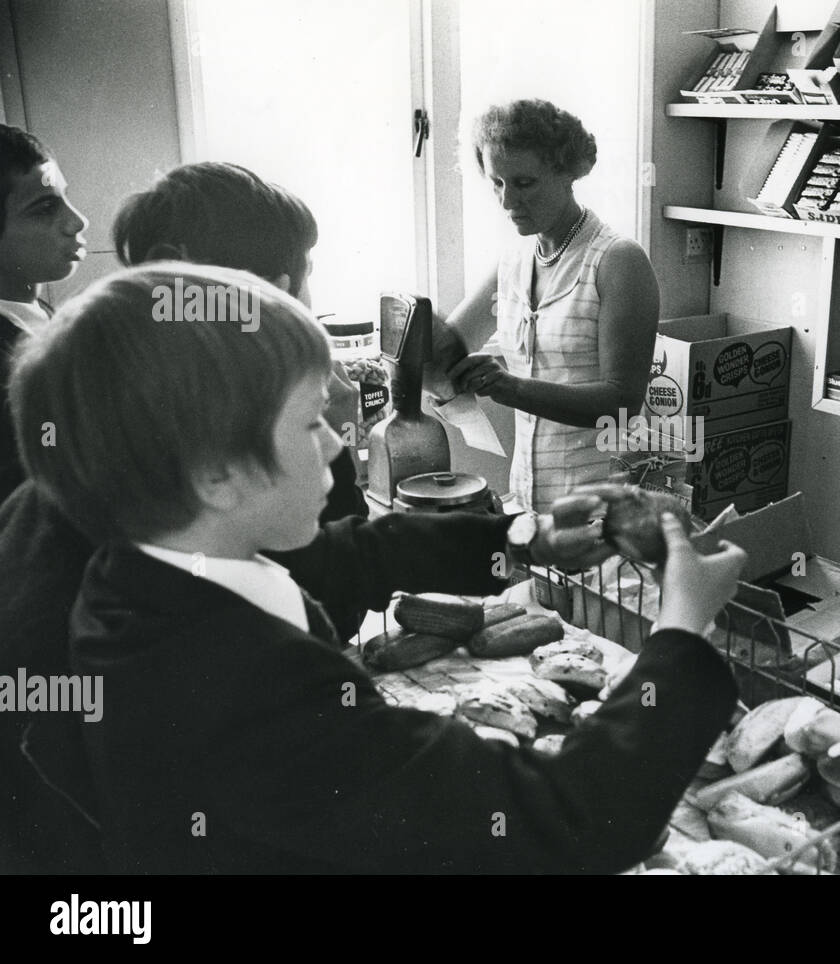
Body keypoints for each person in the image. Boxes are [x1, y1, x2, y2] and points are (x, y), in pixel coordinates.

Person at [10, 262, 744, 873]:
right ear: (217, 475)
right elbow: (561, 818)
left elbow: (355, 555)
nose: (338, 444)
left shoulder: (152, 564)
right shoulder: (242, 693)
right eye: (310, 423)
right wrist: (681, 629)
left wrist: (526, 536)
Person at [112, 161, 367, 525]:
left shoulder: (130, 371)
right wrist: (339, 437)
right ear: (274, 293)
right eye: (307, 276)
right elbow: (335, 544)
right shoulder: (271, 403)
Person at [447, 99, 660, 513]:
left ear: (568, 173)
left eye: (524, 183)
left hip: (601, 508)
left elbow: (621, 403)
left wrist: (512, 388)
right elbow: (450, 343)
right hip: (529, 502)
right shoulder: (512, 261)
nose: (508, 202)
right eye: (497, 182)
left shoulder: (617, 261)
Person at [0, 125, 88, 503]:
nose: (78, 221)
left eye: (65, 197)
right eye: (45, 207)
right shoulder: (7, 358)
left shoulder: (38, 314)